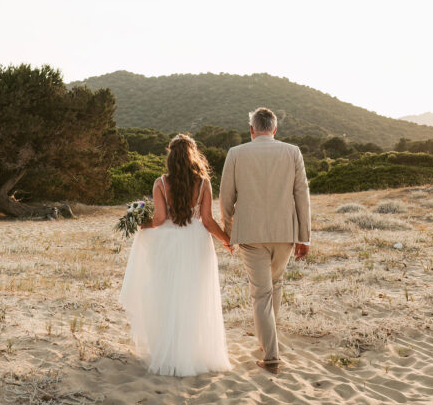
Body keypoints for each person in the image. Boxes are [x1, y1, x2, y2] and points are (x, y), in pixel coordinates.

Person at [119, 134, 233, 376]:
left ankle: (169, 351)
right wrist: (226, 240)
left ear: (170, 157)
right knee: (194, 296)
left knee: (168, 294)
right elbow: (207, 220)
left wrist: (141, 223)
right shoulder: (203, 183)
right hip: (195, 242)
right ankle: (194, 351)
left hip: (169, 243)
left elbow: (159, 219)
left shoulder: (160, 182)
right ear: (193, 156)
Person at [219, 107, 311, 374]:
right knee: (276, 285)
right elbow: (301, 195)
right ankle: (268, 341)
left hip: (250, 233)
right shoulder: (292, 151)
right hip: (285, 233)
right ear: (274, 129)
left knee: (261, 293)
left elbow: (226, 196)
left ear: (251, 130)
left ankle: (271, 356)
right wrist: (304, 236)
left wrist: (227, 231)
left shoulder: (236, 153)